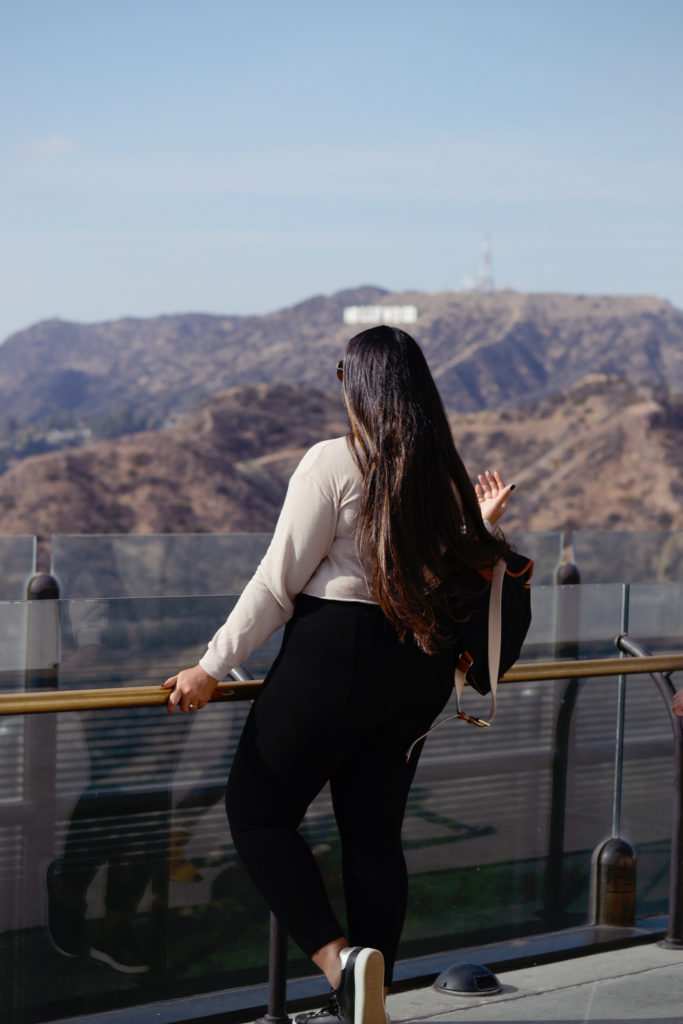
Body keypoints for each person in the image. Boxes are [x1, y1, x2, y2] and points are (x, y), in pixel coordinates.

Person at [163, 325, 514, 1024]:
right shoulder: (442, 475)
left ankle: (340, 965)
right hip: (415, 672)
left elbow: (276, 583)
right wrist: (478, 523)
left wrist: (210, 666)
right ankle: (365, 1004)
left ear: (359, 385)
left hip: (336, 654)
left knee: (257, 813)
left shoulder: (334, 461)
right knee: (374, 836)